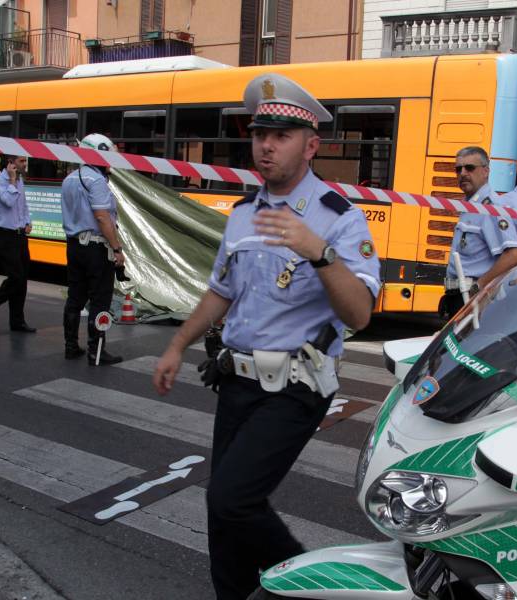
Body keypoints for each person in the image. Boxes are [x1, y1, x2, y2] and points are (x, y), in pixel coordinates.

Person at [153, 73, 380, 600]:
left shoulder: (338, 219)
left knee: (233, 500)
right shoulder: (242, 214)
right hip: (236, 382)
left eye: (280, 136)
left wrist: (318, 251)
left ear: (311, 145)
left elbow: (362, 313)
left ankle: (315, 590)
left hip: (296, 386)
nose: (266, 146)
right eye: (259, 135)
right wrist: (175, 344)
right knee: (222, 515)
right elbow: (220, 293)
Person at [61, 134, 126, 365]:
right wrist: (117, 248)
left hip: (74, 246)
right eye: (107, 157)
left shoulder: (69, 179)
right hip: (96, 249)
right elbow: (102, 216)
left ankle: (70, 346)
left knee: (75, 297)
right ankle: (96, 352)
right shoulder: (96, 181)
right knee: (100, 300)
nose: (110, 163)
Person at [439, 147, 517, 319]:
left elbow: (513, 255)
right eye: (458, 169)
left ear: (485, 171)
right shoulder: (471, 205)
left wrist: (479, 288)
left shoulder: (490, 208)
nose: (462, 173)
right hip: (460, 296)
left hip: (472, 298)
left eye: (469, 168)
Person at [0, 155, 36, 332]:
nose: (25, 165)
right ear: (11, 163)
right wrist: (12, 181)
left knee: (22, 280)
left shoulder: (19, 182)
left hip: (20, 237)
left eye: (26, 161)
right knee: (16, 277)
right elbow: (9, 201)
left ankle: (17, 321)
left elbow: (23, 206)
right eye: (21, 161)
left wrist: (27, 222)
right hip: (5, 238)